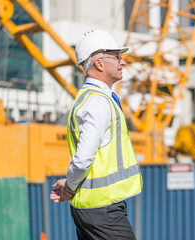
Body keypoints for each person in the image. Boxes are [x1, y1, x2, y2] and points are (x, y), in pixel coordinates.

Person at [50, 29, 143, 240]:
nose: (122, 62)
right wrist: (72, 186)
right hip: (102, 209)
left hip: (95, 207)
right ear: (99, 64)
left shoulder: (88, 98)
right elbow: (83, 159)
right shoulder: (98, 102)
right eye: (116, 56)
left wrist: (70, 182)